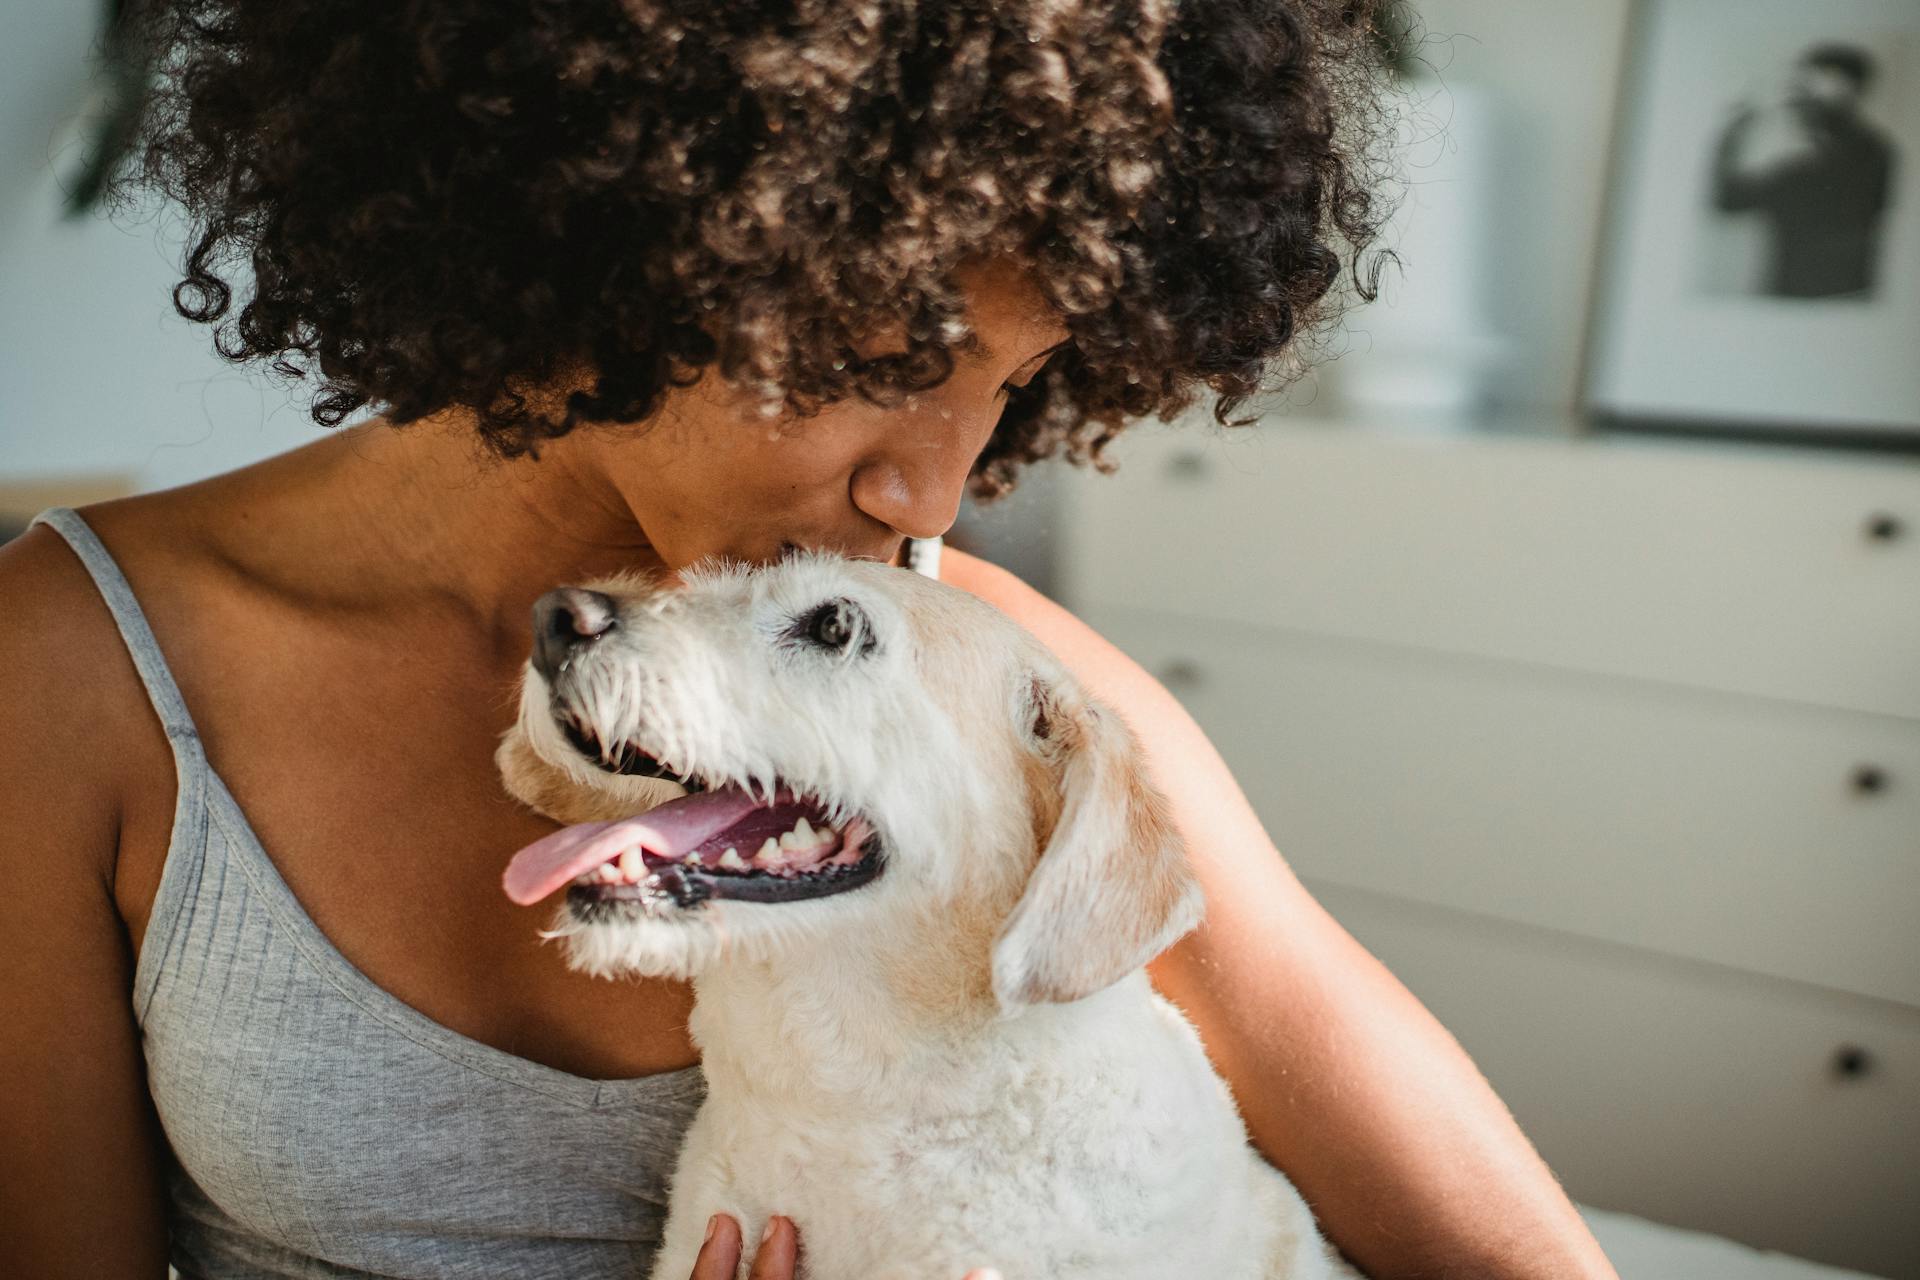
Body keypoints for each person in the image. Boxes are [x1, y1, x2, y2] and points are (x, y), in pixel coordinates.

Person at [0, 1, 1621, 1277]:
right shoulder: (68, 677)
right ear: (630, 211)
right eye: (895, 348)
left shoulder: (979, 688)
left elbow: (1500, 1254)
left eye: (1008, 382)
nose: (936, 484)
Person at [1710, 42, 1898, 299]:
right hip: (1832, 300)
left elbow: (1727, 201)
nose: (1798, 98)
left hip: (1814, 300)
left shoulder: (1826, 161)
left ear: (1846, 87)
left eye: (1810, 84)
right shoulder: (1874, 151)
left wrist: (1733, 132)